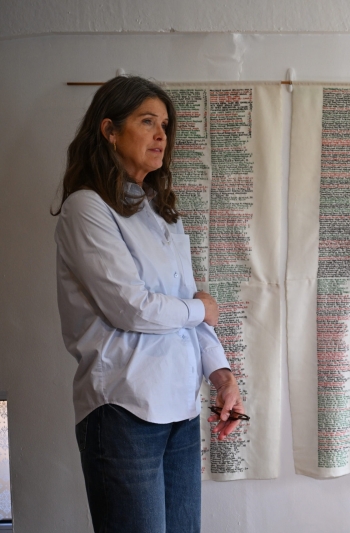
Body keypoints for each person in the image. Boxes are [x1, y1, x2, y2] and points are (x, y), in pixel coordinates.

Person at [52, 76, 245, 533]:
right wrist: (201, 309)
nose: (161, 135)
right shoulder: (86, 208)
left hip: (180, 408)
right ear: (109, 130)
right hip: (123, 409)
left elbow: (187, 303)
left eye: (164, 125)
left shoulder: (161, 211)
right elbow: (131, 307)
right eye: (146, 122)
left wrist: (221, 375)